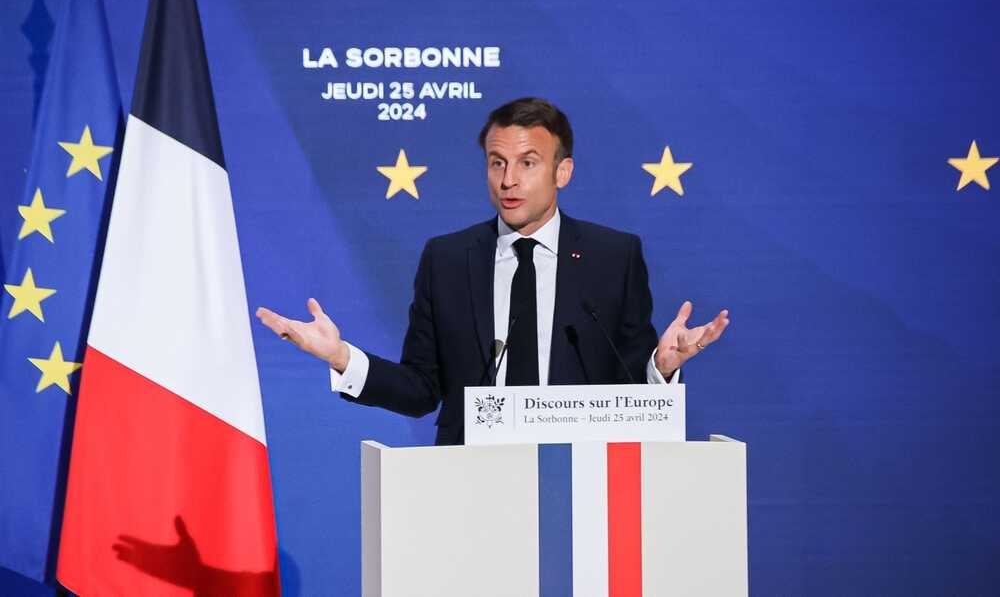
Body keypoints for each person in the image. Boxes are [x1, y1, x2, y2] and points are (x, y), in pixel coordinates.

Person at [256, 97, 729, 445]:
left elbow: (628, 389)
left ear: (562, 172)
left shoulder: (613, 257)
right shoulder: (447, 259)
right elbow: (421, 390)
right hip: (470, 483)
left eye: (528, 163)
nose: (508, 180)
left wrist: (661, 368)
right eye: (496, 163)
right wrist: (343, 357)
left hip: (583, 479)